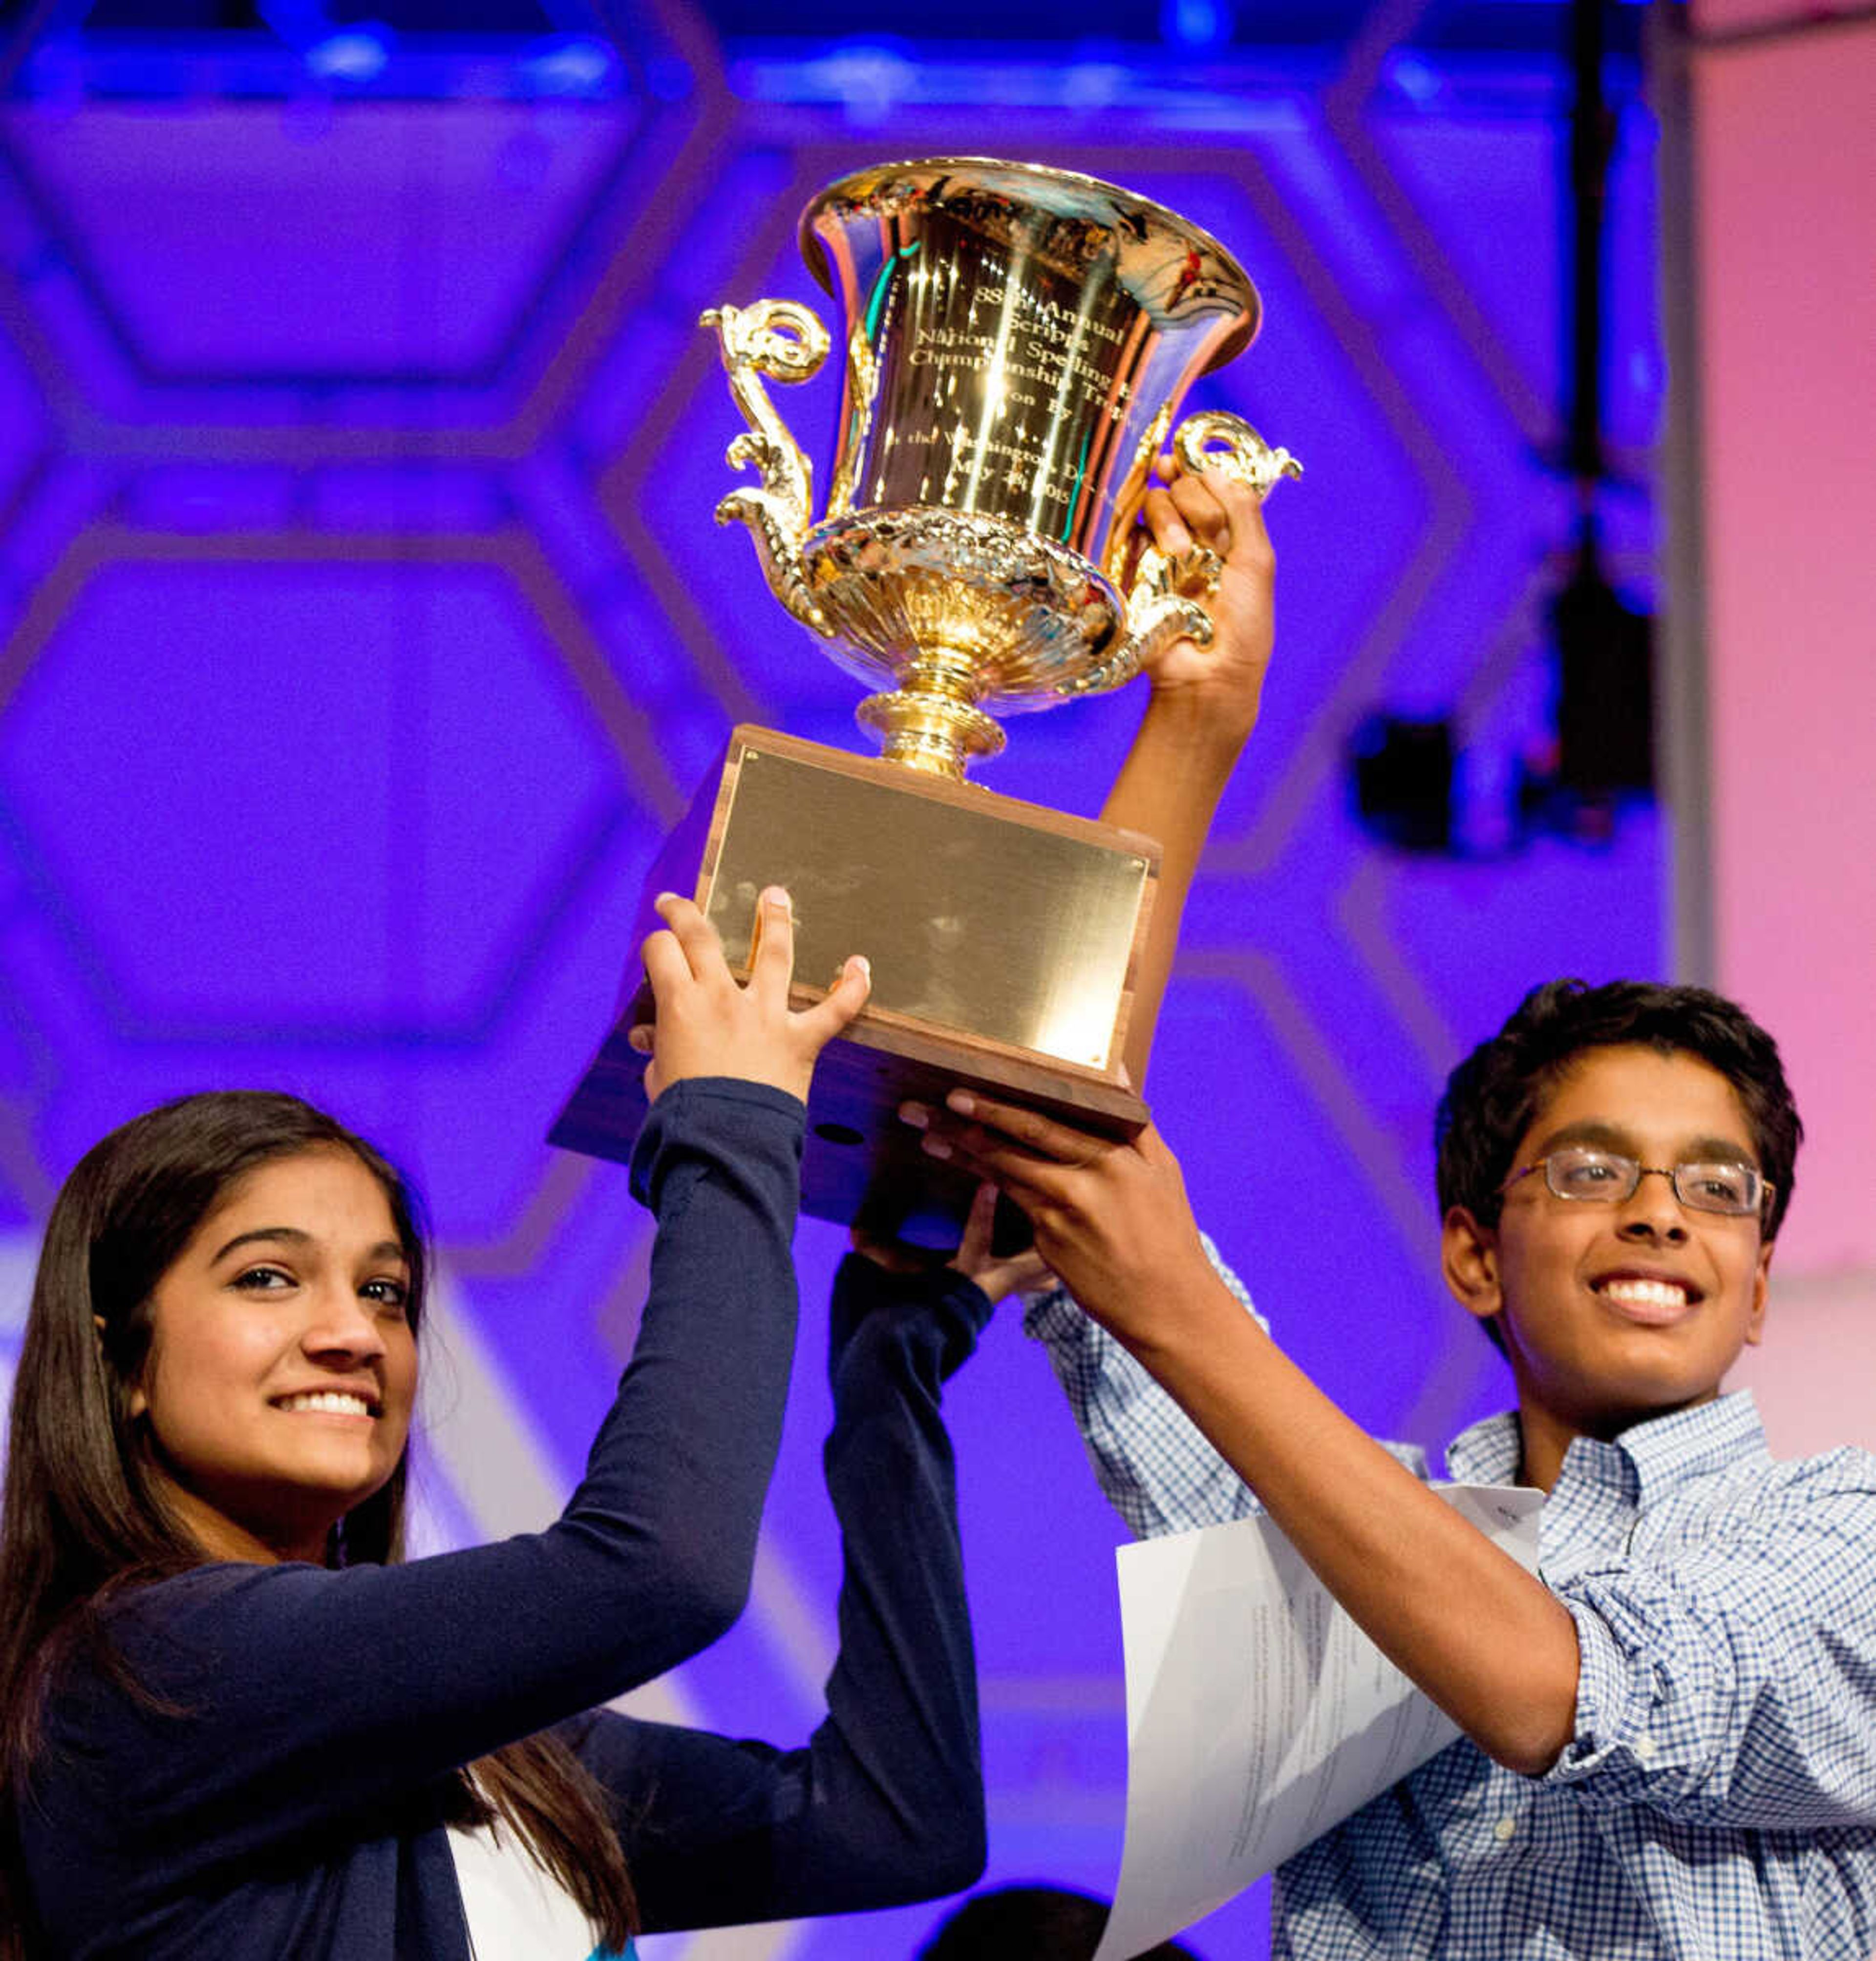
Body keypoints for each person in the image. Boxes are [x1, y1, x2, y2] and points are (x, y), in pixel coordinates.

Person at [894, 491, 1876, 1952]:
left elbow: (1561, 1686)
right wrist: (1197, 725)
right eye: (1596, 1170)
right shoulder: (1328, 1533)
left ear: (1755, 1285)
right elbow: (1055, 1149)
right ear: (1474, 1248)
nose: (1666, 1212)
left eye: (1721, 1186)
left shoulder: (1839, 1533)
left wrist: (1180, 1305)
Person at [0, 888, 993, 1960]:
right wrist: (732, 1126)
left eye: (385, 1291)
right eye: (269, 1278)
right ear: (121, 1362)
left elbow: (896, 1826)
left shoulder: (487, 1749)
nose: (354, 1334)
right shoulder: (147, 1673)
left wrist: (896, 1354)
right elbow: (661, 1572)